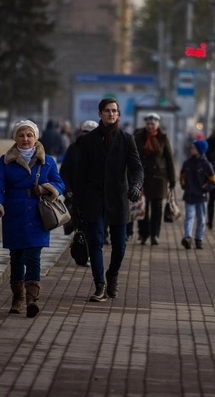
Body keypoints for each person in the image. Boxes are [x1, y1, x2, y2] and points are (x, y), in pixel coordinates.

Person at [0, 120, 65, 317]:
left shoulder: (48, 161)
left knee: (33, 257)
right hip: (14, 212)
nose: (25, 139)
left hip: (38, 214)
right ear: (15, 138)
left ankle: (31, 299)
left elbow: (59, 183)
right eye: (21, 135)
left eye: (29, 135)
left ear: (35, 137)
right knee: (16, 258)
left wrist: (47, 189)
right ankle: (18, 297)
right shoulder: (5, 160)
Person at [74, 98, 144, 302]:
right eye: (107, 111)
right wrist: (76, 204)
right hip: (93, 199)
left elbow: (137, 168)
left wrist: (136, 185)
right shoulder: (88, 141)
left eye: (114, 111)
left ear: (118, 115)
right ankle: (100, 285)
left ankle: (112, 275)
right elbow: (81, 174)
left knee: (120, 246)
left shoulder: (126, 139)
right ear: (100, 114)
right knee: (95, 242)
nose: (111, 114)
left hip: (119, 198)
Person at [133, 112, 176, 245]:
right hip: (142, 177)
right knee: (142, 207)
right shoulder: (138, 137)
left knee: (157, 208)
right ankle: (143, 234)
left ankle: (155, 235)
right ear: (145, 124)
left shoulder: (163, 138)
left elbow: (169, 159)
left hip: (159, 178)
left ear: (157, 125)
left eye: (153, 124)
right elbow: (133, 156)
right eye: (148, 124)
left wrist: (173, 179)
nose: (151, 126)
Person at [59, 119, 99, 236]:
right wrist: (68, 191)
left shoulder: (102, 149)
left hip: (95, 198)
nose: (87, 134)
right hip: (76, 197)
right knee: (80, 233)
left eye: (91, 132)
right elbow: (64, 172)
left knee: (95, 233)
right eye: (85, 131)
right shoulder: (73, 149)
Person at [179, 139, 215, 250]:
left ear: (199, 150)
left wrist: (204, 189)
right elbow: (182, 177)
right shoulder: (187, 163)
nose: (191, 149)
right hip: (189, 195)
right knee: (189, 217)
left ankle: (199, 239)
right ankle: (188, 237)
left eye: (193, 148)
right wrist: (184, 186)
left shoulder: (206, 165)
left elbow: (213, 180)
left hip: (201, 197)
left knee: (201, 218)